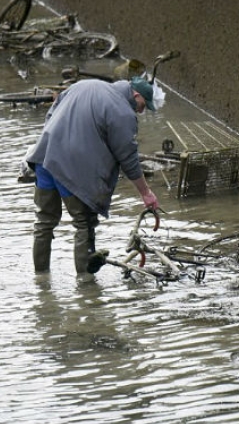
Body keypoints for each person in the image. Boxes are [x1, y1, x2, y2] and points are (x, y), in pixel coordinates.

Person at [25, 76, 160, 275]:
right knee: (84, 224)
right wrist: (146, 193)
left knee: (44, 222)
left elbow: (51, 115)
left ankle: (41, 281)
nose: (142, 110)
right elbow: (128, 158)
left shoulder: (83, 85)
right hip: (70, 170)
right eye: (143, 105)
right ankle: (86, 286)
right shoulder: (123, 112)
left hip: (45, 159)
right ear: (136, 94)